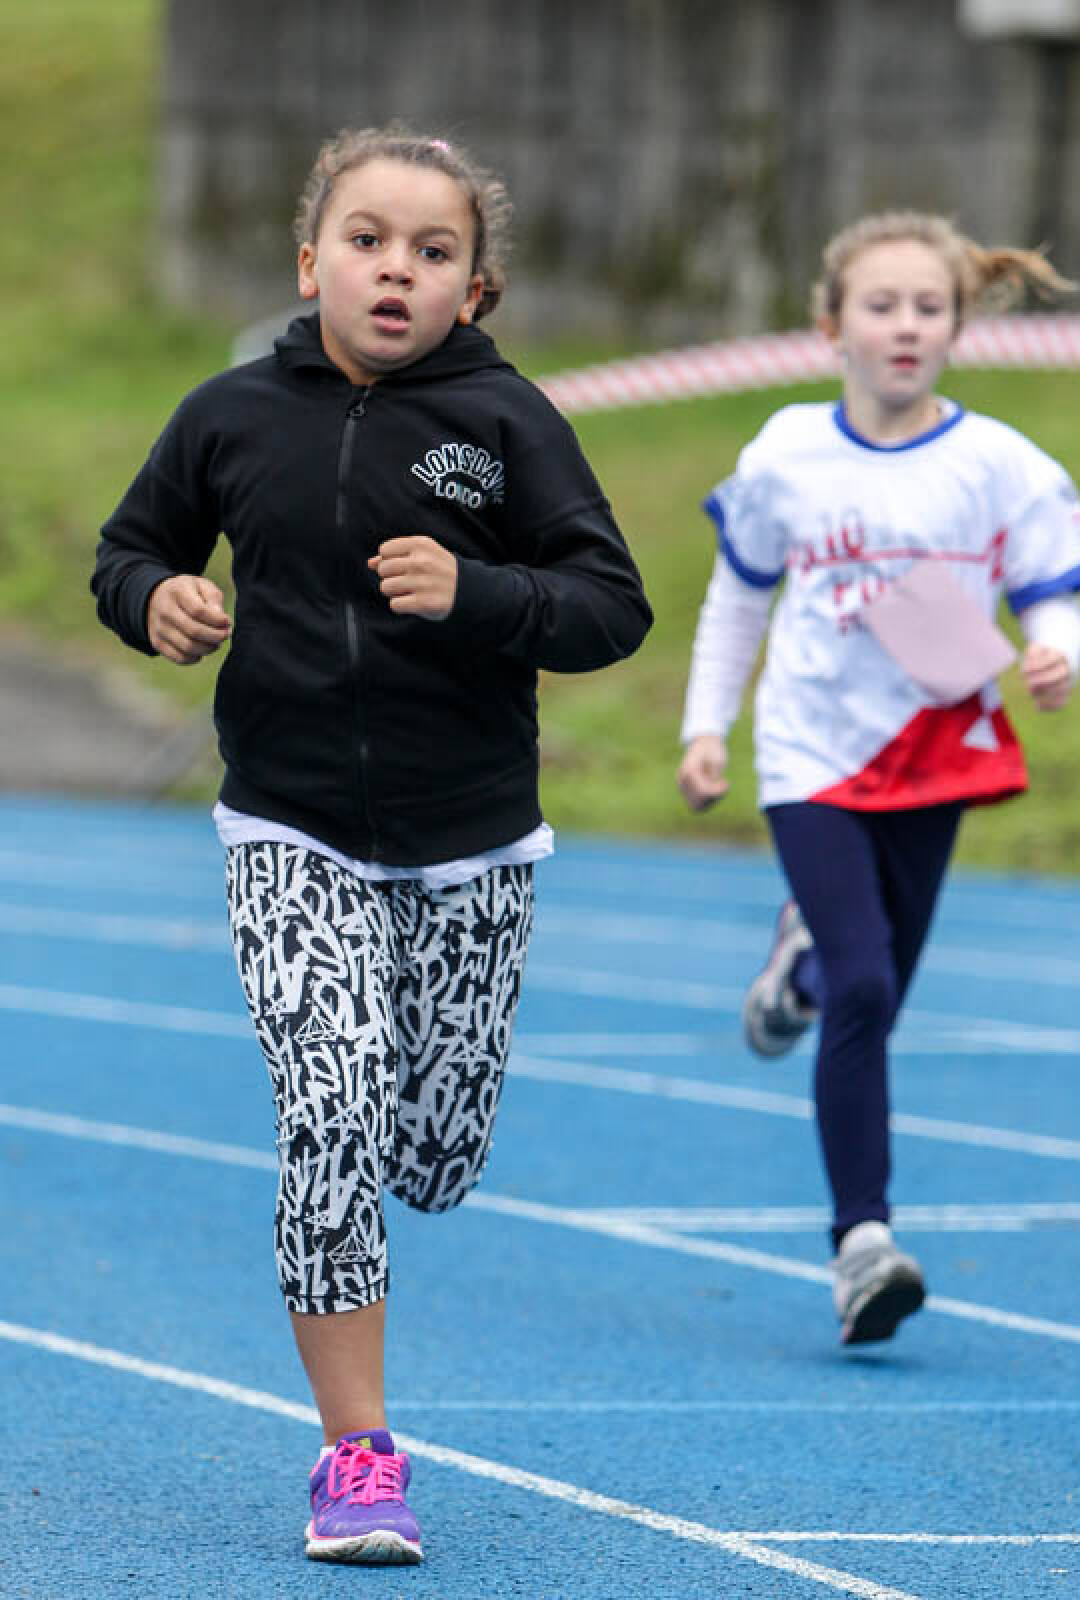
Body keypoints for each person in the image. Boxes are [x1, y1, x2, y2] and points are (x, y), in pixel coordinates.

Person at [92, 124, 651, 1565]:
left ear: (475, 290)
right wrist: (154, 599)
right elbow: (128, 551)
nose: (396, 269)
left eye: (432, 250)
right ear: (309, 263)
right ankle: (358, 1456)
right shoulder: (228, 416)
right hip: (290, 826)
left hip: (472, 843)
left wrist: (481, 594)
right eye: (367, 240)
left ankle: (426, 1148)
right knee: (328, 1112)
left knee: (435, 1153)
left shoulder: (509, 425)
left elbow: (610, 606)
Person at [676, 211, 1080, 1348]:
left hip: (932, 753)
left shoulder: (998, 463)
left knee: (875, 990)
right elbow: (738, 597)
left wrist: (1057, 649)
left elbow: (1052, 592)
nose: (905, 326)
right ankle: (862, 1243)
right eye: (881, 305)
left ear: (957, 326)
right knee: (866, 989)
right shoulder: (785, 455)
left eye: (928, 307)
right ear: (831, 327)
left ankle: (801, 966)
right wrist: (707, 727)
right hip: (810, 755)